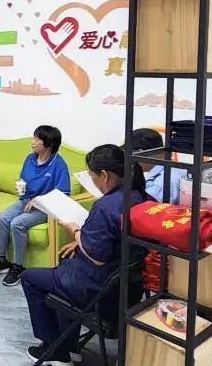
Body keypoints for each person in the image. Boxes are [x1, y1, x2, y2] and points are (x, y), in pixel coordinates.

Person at [20, 144, 145, 366]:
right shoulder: (141, 197)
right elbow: (112, 242)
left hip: (99, 292)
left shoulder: (106, 206)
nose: (92, 180)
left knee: (30, 277)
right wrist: (79, 242)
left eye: (91, 175)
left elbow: (97, 256)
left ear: (105, 175)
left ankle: (56, 350)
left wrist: (76, 232)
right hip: (127, 290)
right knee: (66, 258)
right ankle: (70, 346)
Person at [0, 125, 70, 286]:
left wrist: (38, 200)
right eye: (33, 138)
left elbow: (63, 193)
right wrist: (20, 185)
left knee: (17, 224)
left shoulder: (59, 164)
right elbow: (23, 178)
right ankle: (1, 260)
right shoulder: (30, 158)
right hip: (26, 201)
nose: (32, 142)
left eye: (37, 139)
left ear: (49, 144)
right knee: (1, 218)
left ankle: (18, 267)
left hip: (47, 208)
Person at [131, 128, 184, 204]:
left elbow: (143, 207)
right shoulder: (172, 170)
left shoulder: (160, 184)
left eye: (130, 154)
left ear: (140, 154)